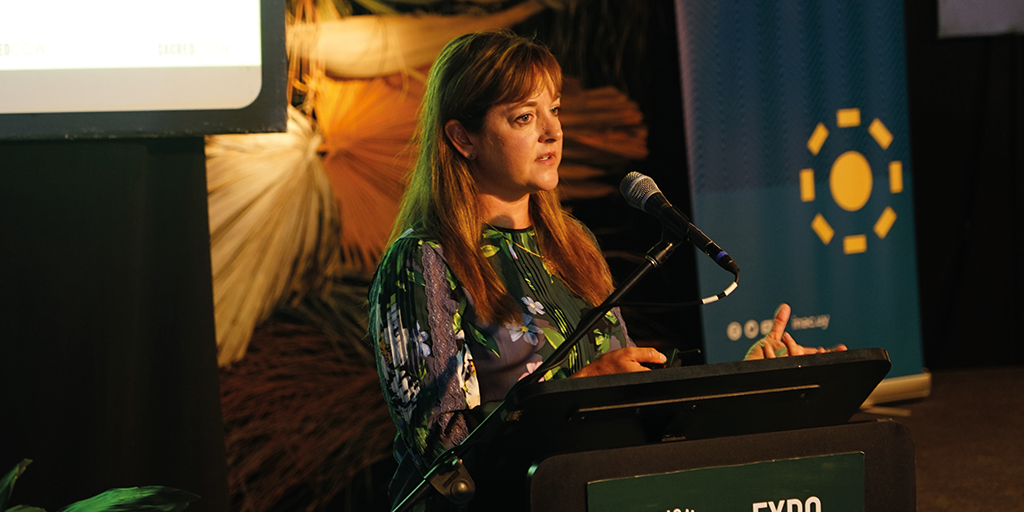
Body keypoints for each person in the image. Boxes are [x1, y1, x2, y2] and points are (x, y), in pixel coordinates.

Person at [367, 29, 843, 510]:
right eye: (524, 117)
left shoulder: (574, 244)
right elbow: (445, 448)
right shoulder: (424, 258)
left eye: (554, 110)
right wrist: (577, 393)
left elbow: (638, 401)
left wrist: (747, 383)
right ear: (462, 137)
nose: (551, 132)